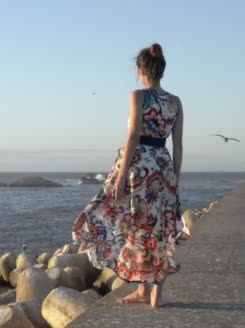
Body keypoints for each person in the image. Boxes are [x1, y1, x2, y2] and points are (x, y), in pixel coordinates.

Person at [72, 43, 183, 308]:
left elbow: (133, 135)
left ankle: (144, 288)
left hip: (138, 167)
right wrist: (175, 179)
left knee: (128, 221)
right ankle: (153, 291)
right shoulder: (175, 102)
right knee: (159, 229)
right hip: (163, 168)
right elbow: (177, 145)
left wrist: (121, 176)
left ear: (140, 70)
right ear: (162, 71)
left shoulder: (138, 96)